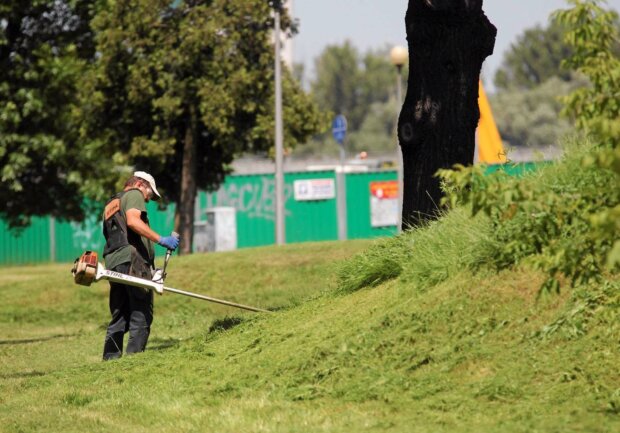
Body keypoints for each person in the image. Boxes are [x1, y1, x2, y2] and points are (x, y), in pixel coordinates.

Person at [101, 171, 180, 360]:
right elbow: (133, 221)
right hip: (132, 260)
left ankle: (110, 360)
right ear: (140, 184)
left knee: (120, 314)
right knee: (141, 311)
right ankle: (134, 361)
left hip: (113, 261)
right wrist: (161, 240)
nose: (148, 200)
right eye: (149, 194)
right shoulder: (134, 194)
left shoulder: (112, 203)